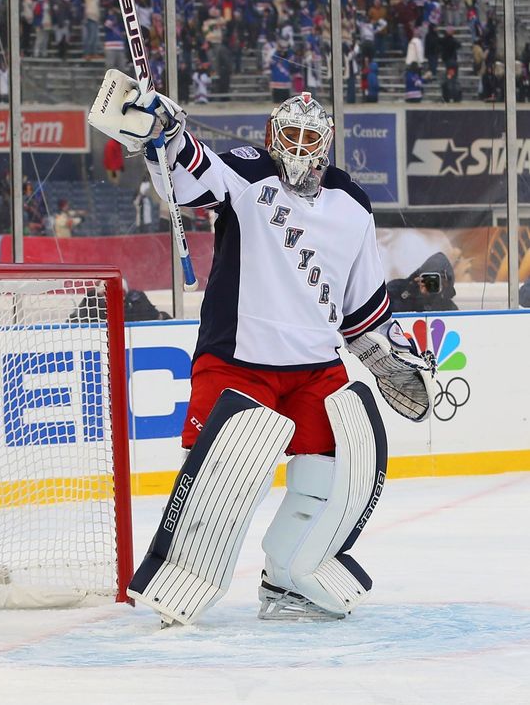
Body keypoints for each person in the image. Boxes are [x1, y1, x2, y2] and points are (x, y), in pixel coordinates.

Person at [89, 75, 437, 627]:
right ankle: (182, 578)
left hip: (315, 370)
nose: (299, 148)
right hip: (237, 361)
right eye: (289, 135)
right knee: (219, 479)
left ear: (326, 145)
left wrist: (390, 353)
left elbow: (362, 307)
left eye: (309, 138)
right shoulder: (248, 171)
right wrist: (165, 136)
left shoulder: (352, 203)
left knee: (333, 475)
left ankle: (287, 581)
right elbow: (191, 178)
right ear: (273, 135)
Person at [387, 252, 458, 313]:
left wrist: (429, 299)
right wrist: (409, 293)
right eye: (428, 279)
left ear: (446, 283)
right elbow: (386, 313)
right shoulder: (398, 288)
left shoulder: (449, 308)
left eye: (436, 280)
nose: (432, 283)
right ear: (420, 277)